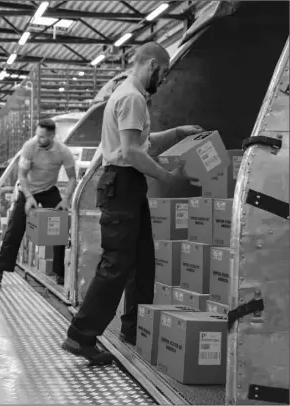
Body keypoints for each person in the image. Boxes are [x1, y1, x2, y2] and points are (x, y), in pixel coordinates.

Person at [61, 42, 204, 365]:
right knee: (117, 265)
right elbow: (131, 153)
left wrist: (178, 132)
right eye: (164, 73)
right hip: (122, 184)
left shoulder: (131, 96)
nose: (163, 80)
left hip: (128, 185)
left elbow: (144, 142)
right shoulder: (131, 97)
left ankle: (135, 329)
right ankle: (80, 336)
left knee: (142, 261)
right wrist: (167, 178)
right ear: (152, 65)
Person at [0, 119, 77, 285]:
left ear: (52, 135)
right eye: (37, 135)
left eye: (42, 137)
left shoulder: (63, 152)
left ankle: (60, 273)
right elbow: (22, 175)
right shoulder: (30, 146)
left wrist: (66, 199)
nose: (38, 139)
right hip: (28, 191)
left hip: (49, 190)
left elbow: (72, 178)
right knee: (15, 229)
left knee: (59, 228)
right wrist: (28, 197)